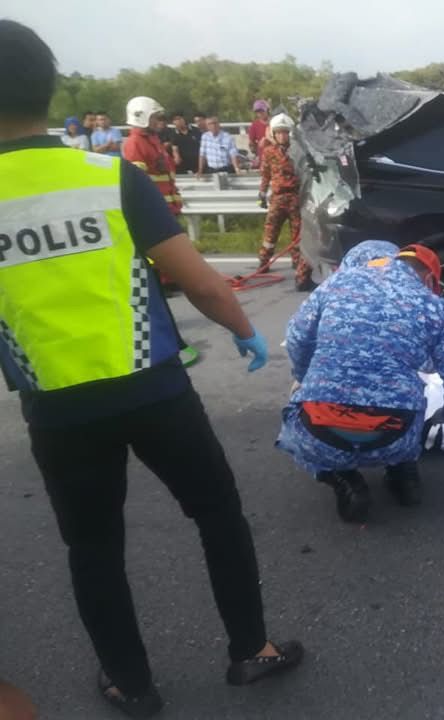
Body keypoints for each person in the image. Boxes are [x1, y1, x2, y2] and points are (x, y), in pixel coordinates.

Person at [0, 20, 303, 718]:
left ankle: (130, 685)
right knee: (217, 512)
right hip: (156, 388)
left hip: (58, 408)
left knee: (94, 548)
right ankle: (250, 651)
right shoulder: (109, 175)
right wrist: (243, 330)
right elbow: (199, 282)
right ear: (47, 88)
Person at [277, 244, 444, 523]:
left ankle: (341, 477)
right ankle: (402, 472)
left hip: (320, 429)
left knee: (296, 410)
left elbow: (297, 339)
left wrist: (303, 377)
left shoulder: (335, 285)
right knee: (413, 395)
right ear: (429, 279)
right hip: (397, 435)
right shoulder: (434, 306)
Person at [256, 113, 315, 291]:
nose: (283, 136)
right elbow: (265, 174)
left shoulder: (298, 151)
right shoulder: (269, 152)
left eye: (286, 132)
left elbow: (307, 173)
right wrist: (261, 192)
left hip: (296, 198)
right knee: (270, 232)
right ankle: (264, 262)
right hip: (277, 198)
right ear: (273, 134)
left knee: (297, 233)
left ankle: (297, 264)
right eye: (279, 132)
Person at [123, 96, 182, 215]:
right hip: (154, 210)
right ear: (142, 117)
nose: (158, 121)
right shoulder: (134, 143)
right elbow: (138, 183)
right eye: (155, 117)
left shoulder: (153, 140)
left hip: (168, 208)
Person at [248, 99, 269, 167]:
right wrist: (256, 151)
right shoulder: (254, 125)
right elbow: (251, 143)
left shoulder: (274, 122)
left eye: (261, 111)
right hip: (262, 158)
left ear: (266, 110)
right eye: (257, 112)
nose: (260, 113)